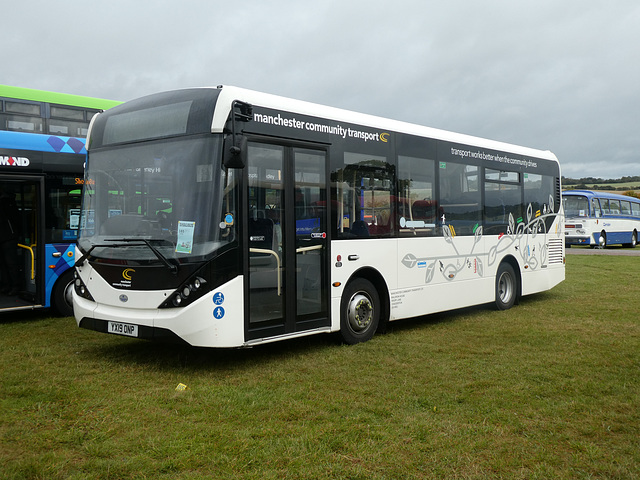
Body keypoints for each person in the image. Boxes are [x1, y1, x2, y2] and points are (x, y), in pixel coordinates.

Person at [0, 193, 21, 295]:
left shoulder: (7, 204)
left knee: (10, 264)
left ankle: (14, 286)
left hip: (8, 237)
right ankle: (8, 285)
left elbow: (15, 219)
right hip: (7, 237)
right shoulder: (8, 204)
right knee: (5, 264)